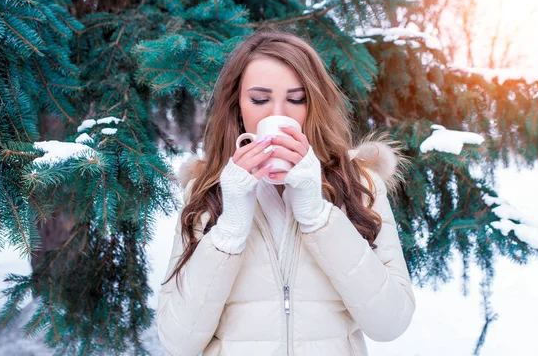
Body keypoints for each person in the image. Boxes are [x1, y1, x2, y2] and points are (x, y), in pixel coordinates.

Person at [157, 29, 416, 356]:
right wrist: (231, 228)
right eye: (260, 99)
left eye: (296, 99)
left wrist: (318, 216)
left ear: (314, 104)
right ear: (237, 105)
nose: (277, 115)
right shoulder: (207, 192)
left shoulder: (357, 185)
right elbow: (176, 341)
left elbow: (391, 323)